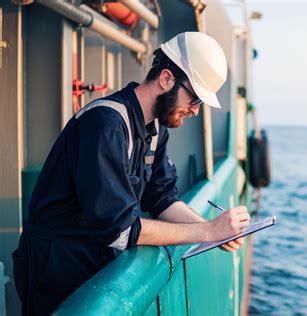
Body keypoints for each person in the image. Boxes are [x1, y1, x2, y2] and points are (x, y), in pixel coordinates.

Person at [12, 32, 250, 315]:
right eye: (195, 99)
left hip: (91, 266)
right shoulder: (106, 124)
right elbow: (121, 231)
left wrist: (214, 234)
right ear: (166, 79)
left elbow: (162, 199)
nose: (195, 112)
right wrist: (207, 230)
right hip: (55, 270)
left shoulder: (156, 127)